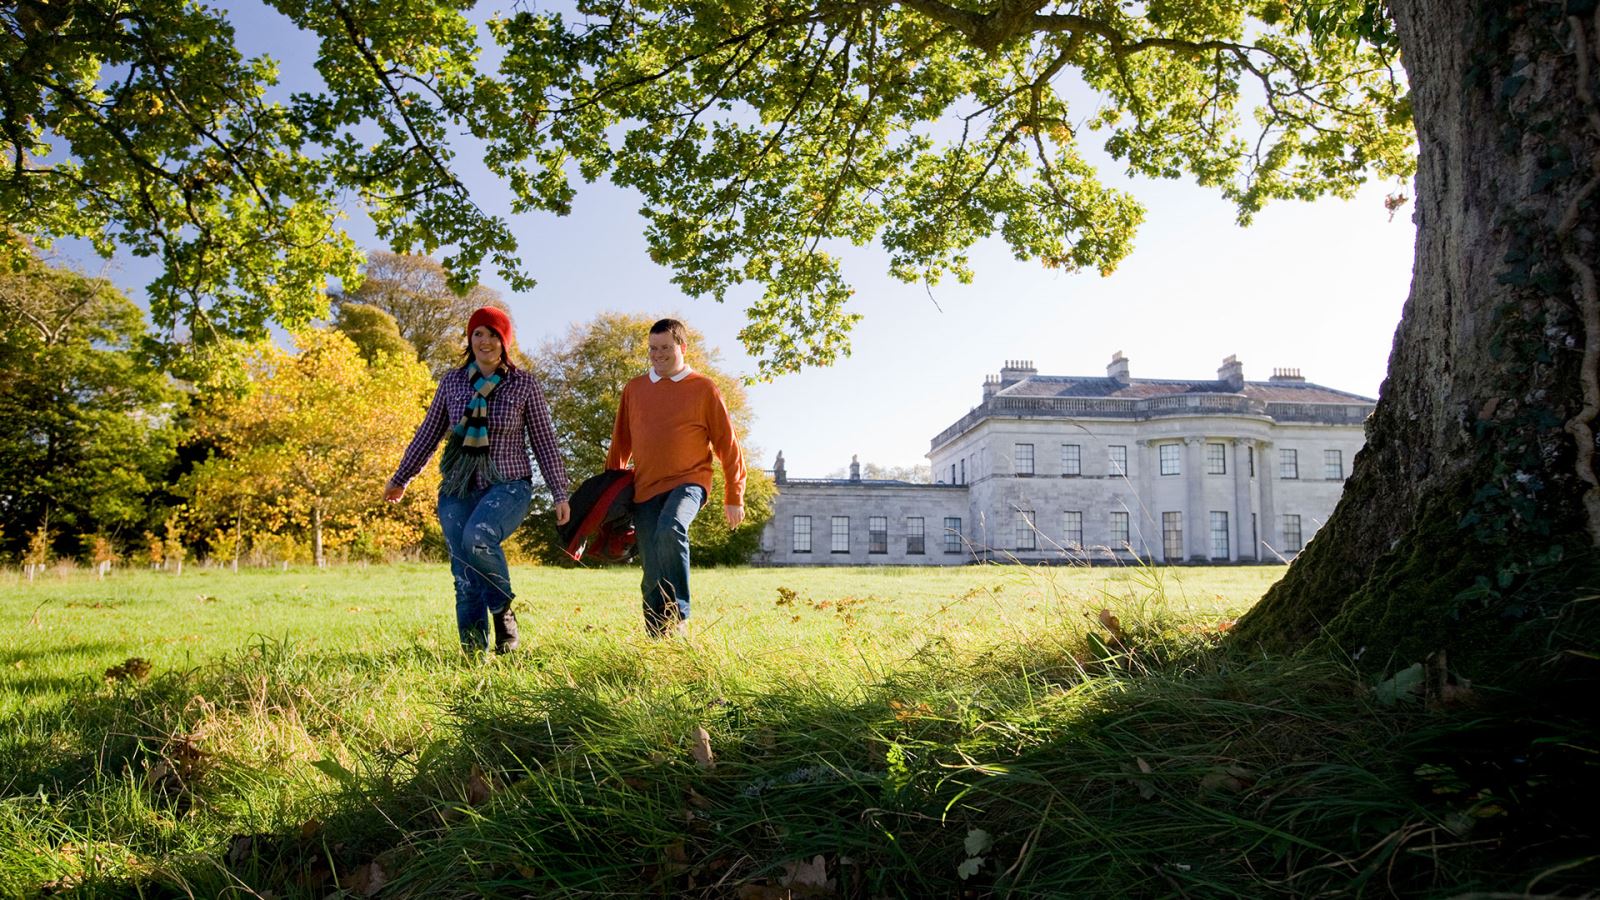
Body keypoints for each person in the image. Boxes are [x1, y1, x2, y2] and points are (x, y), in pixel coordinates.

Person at [385, 306, 570, 654]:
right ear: (470, 340)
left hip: (509, 484)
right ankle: (472, 656)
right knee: (464, 573)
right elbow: (428, 434)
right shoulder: (452, 382)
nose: (485, 341)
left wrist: (560, 492)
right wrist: (401, 477)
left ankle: (502, 611)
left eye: (493, 334)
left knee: (479, 537)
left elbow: (545, 440)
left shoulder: (523, 384)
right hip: (458, 486)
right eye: (478, 334)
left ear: (505, 340)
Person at [606, 318, 745, 637]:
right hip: (644, 489)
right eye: (653, 349)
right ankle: (657, 639)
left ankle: (679, 614)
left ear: (682, 347)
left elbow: (728, 444)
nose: (658, 354)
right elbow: (621, 442)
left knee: (671, 528)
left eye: (665, 348)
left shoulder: (704, 388)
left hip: (689, 482)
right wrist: (608, 493)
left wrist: (734, 495)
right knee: (652, 566)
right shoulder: (634, 389)